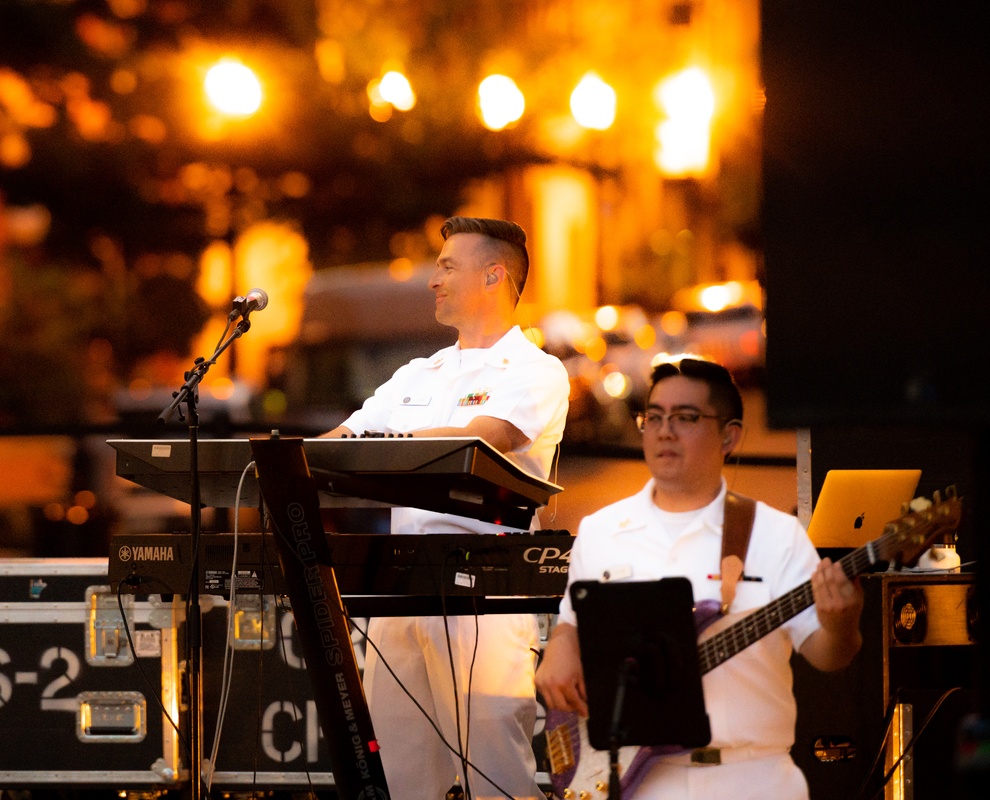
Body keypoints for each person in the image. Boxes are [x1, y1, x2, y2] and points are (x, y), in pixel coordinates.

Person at [535, 357, 863, 800]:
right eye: (653, 417)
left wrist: (841, 622)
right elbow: (575, 626)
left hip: (754, 778)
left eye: (685, 418)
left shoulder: (775, 534)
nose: (664, 431)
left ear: (729, 436)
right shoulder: (600, 530)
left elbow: (828, 655)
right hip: (641, 782)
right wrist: (559, 646)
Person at [323, 216, 570, 800]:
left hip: (480, 585)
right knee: (402, 770)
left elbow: (477, 442)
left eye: (446, 266)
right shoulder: (417, 373)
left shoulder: (536, 370)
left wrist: (381, 449)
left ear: (494, 274)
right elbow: (341, 441)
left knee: (492, 772)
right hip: (397, 585)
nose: (433, 280)